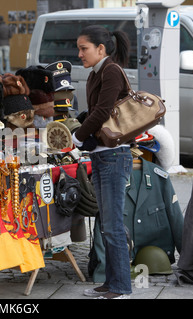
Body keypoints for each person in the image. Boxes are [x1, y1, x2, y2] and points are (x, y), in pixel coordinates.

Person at [72, 25, 133, 299]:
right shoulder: (98, 72)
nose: (80, 54)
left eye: (84, 48)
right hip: (101, 155)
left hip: (113, 156)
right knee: (107, 224)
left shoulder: (111, 70)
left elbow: (104, 111)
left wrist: (77, 136)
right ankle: (110, 284)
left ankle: (121, 287)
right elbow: (95, 111)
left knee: (112, 225)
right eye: (79, 49)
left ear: (101, 49)